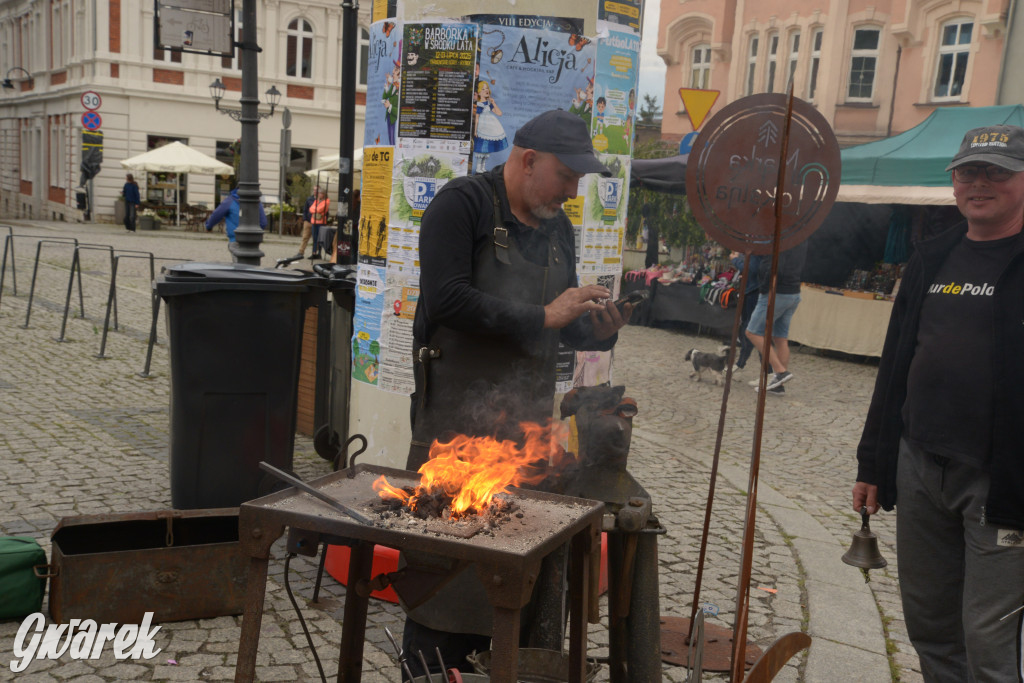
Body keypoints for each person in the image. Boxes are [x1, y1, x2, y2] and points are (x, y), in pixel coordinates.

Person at [405, 109, 633, 677]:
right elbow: (448, 298)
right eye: (566, 176)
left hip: (524, 433)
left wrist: (592, 329)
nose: (572, 192)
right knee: (446, 572)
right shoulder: (462, 205)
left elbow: (560, 323)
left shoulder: (558, 229)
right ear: (527, 161)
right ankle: (432, 670)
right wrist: (546, 313)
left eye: (580, 181)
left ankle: (501, 666)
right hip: (454, 430)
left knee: (512, 575)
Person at [852, 124, 1024, 682]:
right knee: (929, 624)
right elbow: (894, 367)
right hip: (922, 464)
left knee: (990, 638)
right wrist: (873, 463)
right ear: (952, 183)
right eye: (968, 172)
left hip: (1003, 480)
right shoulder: (932, 257)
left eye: (996, 171)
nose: (979, 183)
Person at [744, 241, 807, 393]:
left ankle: (780, 372)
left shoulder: (782, 236)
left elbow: (775, 267)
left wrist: (766, 290)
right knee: (780, 338)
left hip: (776, 292)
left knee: (752, 332)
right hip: (793, 291)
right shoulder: (801, 237)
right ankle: (779, 385)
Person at [730, 251, 762, 370]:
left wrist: (735, 260)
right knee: (751, 329)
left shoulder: (758, 246)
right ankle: (740, 364)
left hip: (754, 291)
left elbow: (751, 268)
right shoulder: (756, 246)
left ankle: (740, 365)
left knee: (751, 330)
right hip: (752, 290)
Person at [309, 188, 330, 259]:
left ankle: (319, 252)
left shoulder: (326, 201)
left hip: (321, 222)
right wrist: (316, 209)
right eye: (319, 193)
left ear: (324, 194)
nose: (320, 195)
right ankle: (314, 252)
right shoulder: (316, 201)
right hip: (314, 221)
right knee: (314, 238)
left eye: (321, 193)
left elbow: (320, 209)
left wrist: (315, 209)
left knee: (320, 238)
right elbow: (310, 209)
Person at [295, 191, 317, 258]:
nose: (315, 191)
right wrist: (305, 219)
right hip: (308, 221)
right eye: (314, 190)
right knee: (305, 237)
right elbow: (305, 209)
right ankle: (301, 252)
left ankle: (314, 253)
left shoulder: (322, 201)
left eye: (317, 190)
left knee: (315, 239)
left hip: (316, 222)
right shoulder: (309, 199)